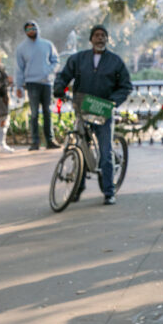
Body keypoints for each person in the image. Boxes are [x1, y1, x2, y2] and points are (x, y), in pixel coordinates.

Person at [53, 25, 132, 204]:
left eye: (103, 35)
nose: (100, 38)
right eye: (96, 35)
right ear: (91, 39)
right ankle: (77, 188)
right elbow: (64, 75)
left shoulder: (115, 61)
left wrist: (113, 101)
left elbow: (126, 86)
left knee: (105, 153)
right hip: (83, 109)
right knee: (81, 147)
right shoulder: (78, 59)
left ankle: (109, 192)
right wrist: (59, 87)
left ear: (107, 39)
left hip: (104, 112)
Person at [15, 20, 60, 150]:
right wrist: (19, 86)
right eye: (28, 30)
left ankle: (50, 140)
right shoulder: (21, 48)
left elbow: (56, 61)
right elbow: (19, 68)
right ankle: (35, 142)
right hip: (32, 83)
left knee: (47, 112)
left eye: (33, 28)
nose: (31, 31)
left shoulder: (47, 45)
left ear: (37, 28)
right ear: (25, 32)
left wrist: (49, 72)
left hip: (46, 83)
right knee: (34, 113)